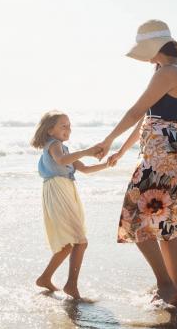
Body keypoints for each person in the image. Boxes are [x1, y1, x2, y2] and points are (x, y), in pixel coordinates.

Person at [99, 20, 177, 306]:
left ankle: (165, 285)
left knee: (136, 220)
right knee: (166, 227)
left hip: (160, 156)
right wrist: (122, 150)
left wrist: (107, 140)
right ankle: (173, 290)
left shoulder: (167, 72)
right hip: (170, 150)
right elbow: (148, 117)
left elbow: (136, 111)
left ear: (154, 47)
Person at [30, 110, 108, 299]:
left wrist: (108, 164)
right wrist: (88, 151)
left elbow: (86, 169)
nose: (68, 129)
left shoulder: (64, 149)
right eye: (63, 125)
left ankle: (45, 278)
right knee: (79, 241)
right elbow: (61, 161)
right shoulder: (55, 145)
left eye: (69, 126)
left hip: (65, 191)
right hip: (58, 191)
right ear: (50, 130)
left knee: (70, 244)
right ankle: (71, 285)